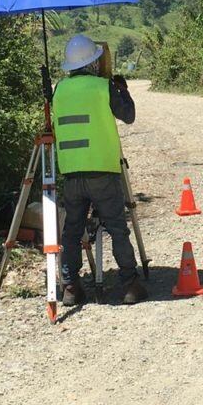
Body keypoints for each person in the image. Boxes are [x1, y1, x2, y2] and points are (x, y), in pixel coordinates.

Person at [51, 34, 145, 305]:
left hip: (71, 172)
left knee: (71, 231)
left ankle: (70, 288)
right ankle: (129, 284)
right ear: (93, 62)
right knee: (116, 227)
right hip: (102, 169)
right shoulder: (103, 87)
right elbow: (129, 116)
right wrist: (122, 89)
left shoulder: (59, 89)